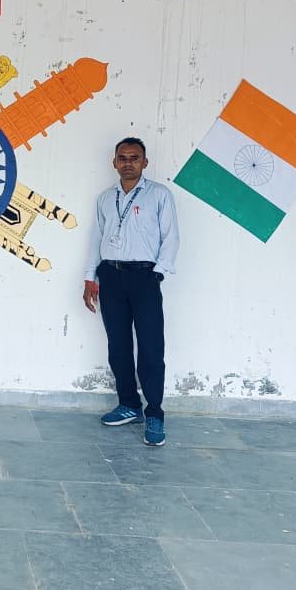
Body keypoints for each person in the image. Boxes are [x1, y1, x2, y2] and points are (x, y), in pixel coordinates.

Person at [83, 138, 179, 446]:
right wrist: (90, 278)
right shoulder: (105, 198)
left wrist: (157, 274)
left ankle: (154, 413)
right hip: (110, 276)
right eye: (122, 158)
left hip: (144, 277)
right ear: (114, 162)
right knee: (118, 346)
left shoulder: (159, 195)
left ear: (144, 163)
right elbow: (96, 238)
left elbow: (171, 237)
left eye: (134, 158)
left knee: (151, 348)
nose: (128, 163)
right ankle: (129, 405)